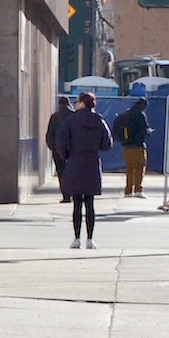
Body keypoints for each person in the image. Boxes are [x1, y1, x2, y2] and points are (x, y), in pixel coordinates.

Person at [56, 91, 113, 249]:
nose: (75, 104)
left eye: (77, 102)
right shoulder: (99, 121)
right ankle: (90, 239)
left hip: (75, 163)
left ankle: (76, 238)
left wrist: (68, 156)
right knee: (90, 203)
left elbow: (60, 142)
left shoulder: (70, 121)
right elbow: (107, 144)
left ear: (82, 103)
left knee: (77, 204)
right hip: (92, 164)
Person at [115, 97, 151, 197]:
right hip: (138, 145)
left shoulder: (125, 115)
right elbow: (144, 130)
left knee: (129, 168)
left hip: (126, 146)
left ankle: (128, 190)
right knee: (139, 167)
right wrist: (149, 132)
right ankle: (138, 190)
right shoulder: (140, 115)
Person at [45, 95, 71, 202]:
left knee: (61, 172)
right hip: (72, 151)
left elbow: (49, 135)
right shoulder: (73, 116)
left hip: (58, 151)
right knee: (73, 172)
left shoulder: (54, 117)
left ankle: (66, 195)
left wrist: (53, 148)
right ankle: (75, 193)